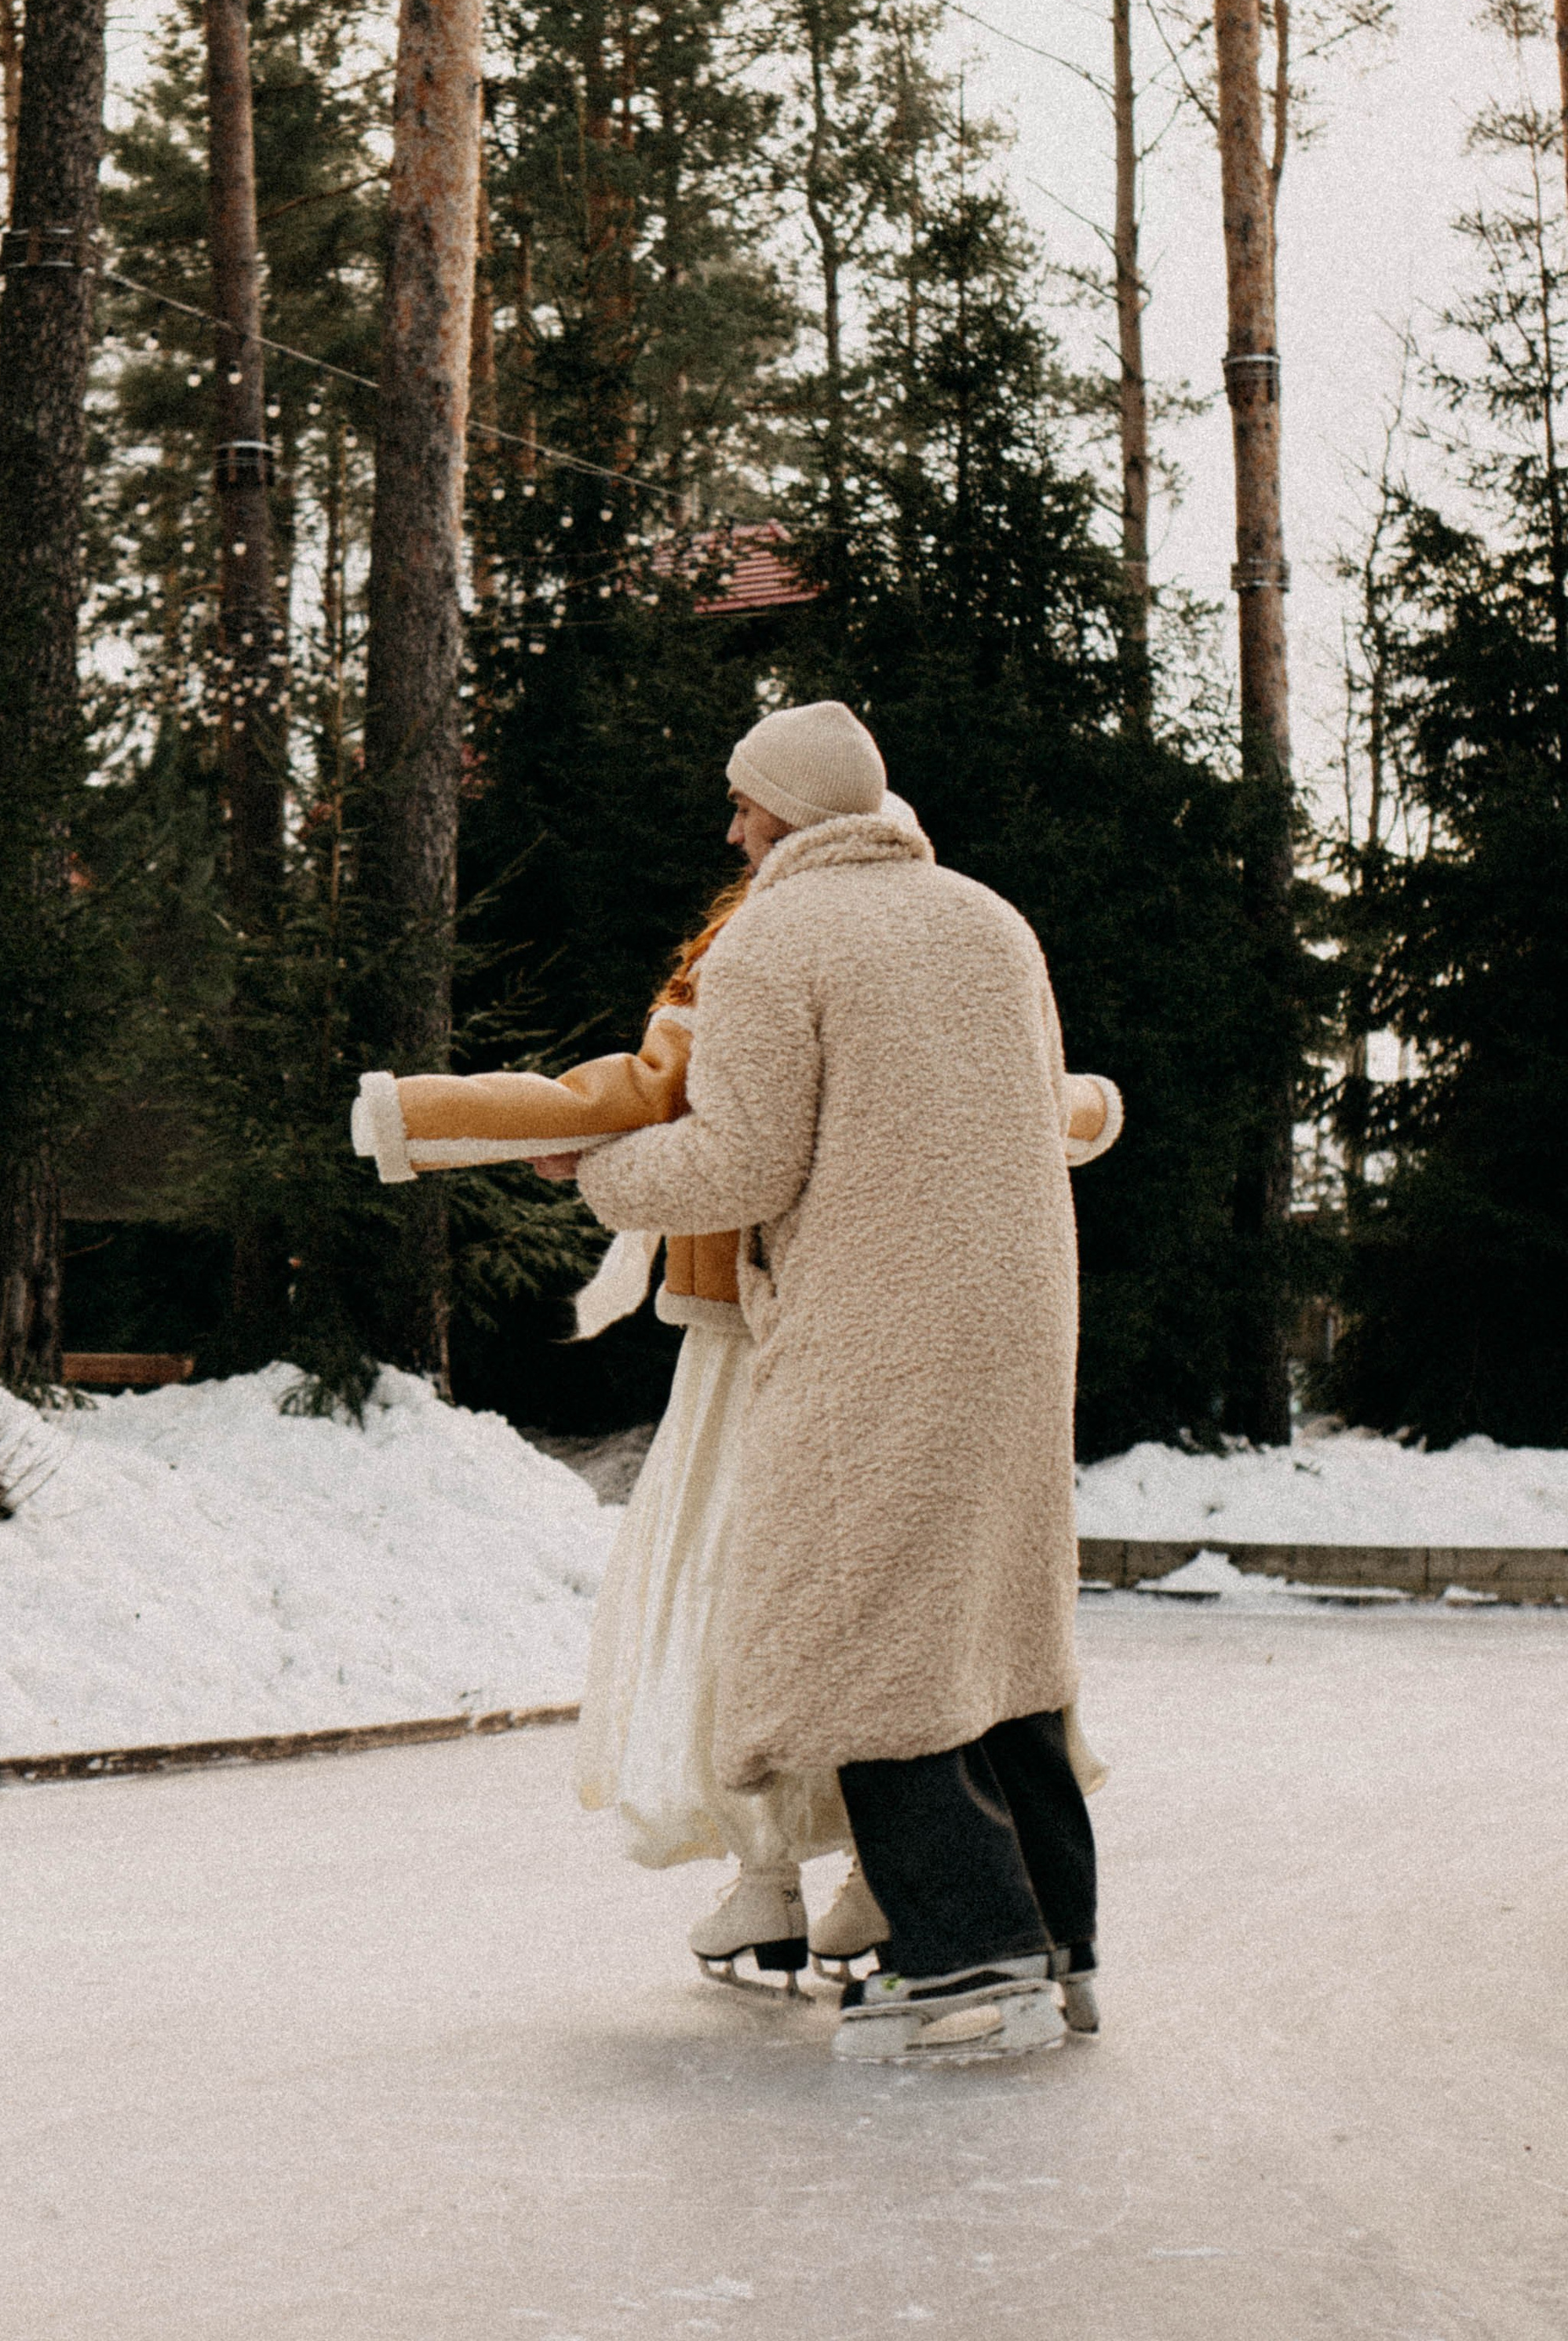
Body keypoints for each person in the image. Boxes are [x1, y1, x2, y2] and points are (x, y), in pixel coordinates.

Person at [354, 727, 1118, 2026]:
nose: (731, 834)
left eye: (743, 806)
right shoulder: (991, 921)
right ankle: (1059, 1941)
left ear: (792, 811)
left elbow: (744, 1162)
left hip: (877, 1326)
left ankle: (966, 1953)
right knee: (996, 1628)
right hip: (1023, 1326)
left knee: (861, 1629)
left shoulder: (782, 936)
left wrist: (593, 1175)